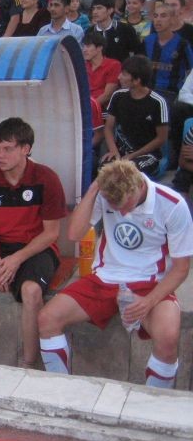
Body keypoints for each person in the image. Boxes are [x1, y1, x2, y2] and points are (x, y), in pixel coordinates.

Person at [38, 160, 192, 389]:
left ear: (138, 185)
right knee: (47, 319)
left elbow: (181, 268)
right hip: (105, 278)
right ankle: (60, 391)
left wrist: (148, 302)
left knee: (168, 338)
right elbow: (74, 233)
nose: (121, 212)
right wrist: (92, 190)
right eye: (115, 206)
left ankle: (152, 402)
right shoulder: (104, 193)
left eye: (125, 205)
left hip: (151, 282)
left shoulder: (172, 204)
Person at [0, 118, 67, 367]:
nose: (0, 155)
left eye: (7, 148)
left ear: (25, 149)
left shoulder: (46, 178)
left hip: (37, 247)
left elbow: (51, 234)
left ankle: (28, 365)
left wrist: (15, 261)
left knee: (31, 291)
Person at [102, 55, 169, 178]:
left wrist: (132, 156)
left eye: (124, 74)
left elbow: (161, 138)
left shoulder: (158, 102)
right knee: (103, 170)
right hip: (121, 152)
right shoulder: (118, 96)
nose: (119, 77)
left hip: (147, 155)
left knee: (128, 173)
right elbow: (108, 128)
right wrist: (114, 151)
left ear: (137, 80)